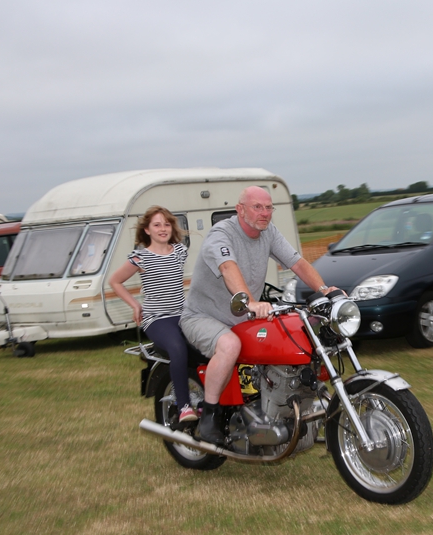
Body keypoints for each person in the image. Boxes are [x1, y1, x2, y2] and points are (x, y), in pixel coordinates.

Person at [180, 185, 337, 445]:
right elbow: (228, 267)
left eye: (268, 207)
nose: (264, 213)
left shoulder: (268, 233)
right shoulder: (221, 234)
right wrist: (251, 301)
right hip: (204, 316)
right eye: (257, 207)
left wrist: (324, 290)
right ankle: (209, 414)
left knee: (290, 336)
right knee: (229, 345)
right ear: (240, 209)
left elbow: (296, 262)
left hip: (243, 315)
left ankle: (278, 405)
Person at [109, 206, 196, 423]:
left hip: (181, 314)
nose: (163, 228)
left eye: (167, 224)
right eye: (157, 225)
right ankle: (183, 406)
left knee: (209, 344)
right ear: (147, 230)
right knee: (177, 348)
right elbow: (115, 282)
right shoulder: (140, 257)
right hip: (157, 318)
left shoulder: (180, 251)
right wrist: (135, 305)